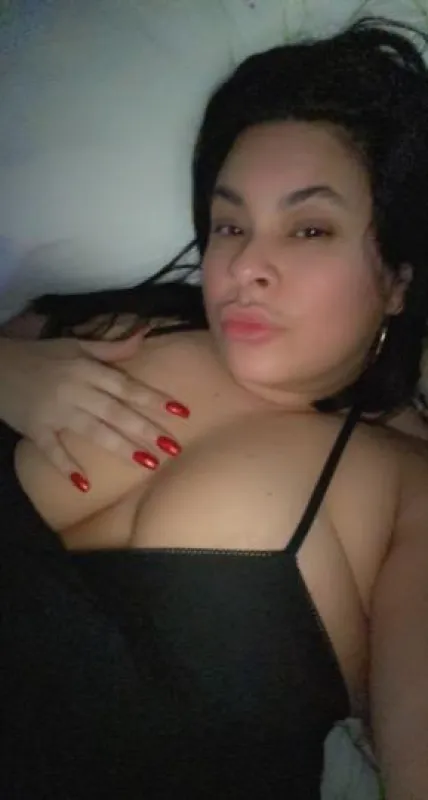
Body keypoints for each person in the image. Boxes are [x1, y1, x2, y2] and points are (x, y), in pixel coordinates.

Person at [2, 16, 428, 799]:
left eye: (309, 228)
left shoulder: (410, 490)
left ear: (398, 281)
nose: (246, 265)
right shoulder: (112, 325)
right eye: (231, 224)